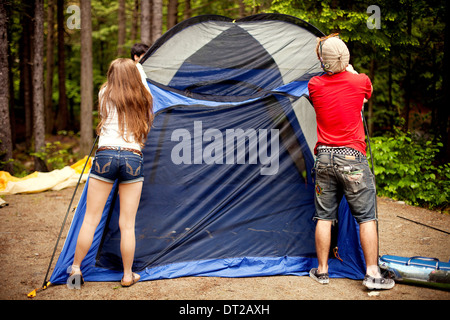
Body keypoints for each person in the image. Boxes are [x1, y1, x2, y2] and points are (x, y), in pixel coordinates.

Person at [307, 34, 394, 290]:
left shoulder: (314, 84)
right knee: (366, 218)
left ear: (323, 62)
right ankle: (372, 273)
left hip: (323, 157)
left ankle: (322, 271)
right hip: (352, 159)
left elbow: (328, 93)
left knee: (323, 217)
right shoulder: (361, 81)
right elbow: (363, 97)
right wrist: (351, 72)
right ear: (346, 57)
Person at [69, 58, 154, 287]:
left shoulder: (104, 94)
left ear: (111, 76)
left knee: (91, 218)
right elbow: (142, 79)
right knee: (127, 223)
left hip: (106, 155)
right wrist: (139, 66)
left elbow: (114, 81)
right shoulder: (143, 96)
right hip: (132, 156)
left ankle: (76, 268)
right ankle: (127, 275)